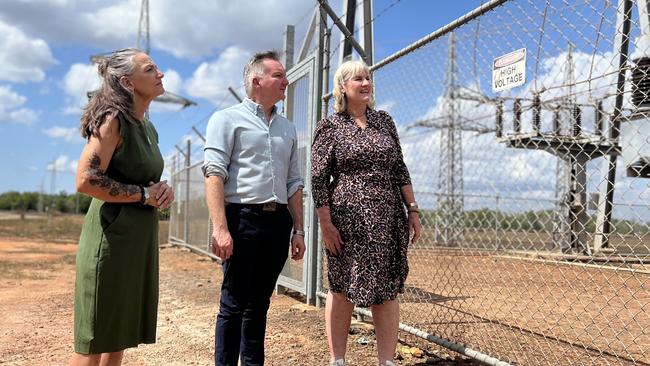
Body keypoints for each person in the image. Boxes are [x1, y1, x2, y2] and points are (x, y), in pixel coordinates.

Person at [311, 60, 422, 366]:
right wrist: (326, 224)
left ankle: (385, 361)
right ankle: (338, 360)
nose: (366, 83)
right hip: (347, 220)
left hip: (388, 217)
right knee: (342, 285)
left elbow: (400, 168)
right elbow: (319, 179)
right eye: (358, 78)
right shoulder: (330, 126)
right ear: (343, 87)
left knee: (386, 288)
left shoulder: (385, 121)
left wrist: (412, 209)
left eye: (368, 78)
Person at [69, 48, 174, 366]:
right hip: (111, 239)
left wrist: (162, 189)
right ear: (128, 82)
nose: (161, 73)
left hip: (137, 239)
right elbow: (86, 179)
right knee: (96, 338)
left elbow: (144, 177)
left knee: (119, 334)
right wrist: (143, 195)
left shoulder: (148, 127)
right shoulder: (113, 120)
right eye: (150, 69)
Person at [203, 50, 306, 366]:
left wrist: (298, 229)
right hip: (241, 218)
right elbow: (214, 173)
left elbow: (293, 182)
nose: (286, 81)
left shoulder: (287, 128)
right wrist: (220, 228)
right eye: (279, 75)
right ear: (256, 81)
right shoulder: (227, 119)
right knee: (233, 303)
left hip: (277, 224)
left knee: (259, 304)